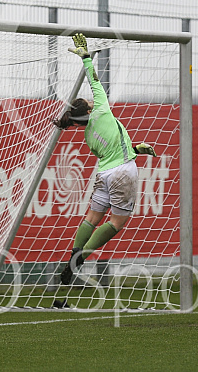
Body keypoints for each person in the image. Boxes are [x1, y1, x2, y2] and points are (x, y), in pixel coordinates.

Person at [54, 33, 157, 285]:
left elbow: (112, 147)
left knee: (92, 218)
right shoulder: (101, 108)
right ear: (89, 109)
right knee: (116, 222)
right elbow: (94, 79)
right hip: (124, 172)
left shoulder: (88, 136)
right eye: (88, 101)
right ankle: (81, 259)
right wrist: (86, 57)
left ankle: (74, 253)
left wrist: (136, 147)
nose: (92, 99)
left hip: (104, 175)